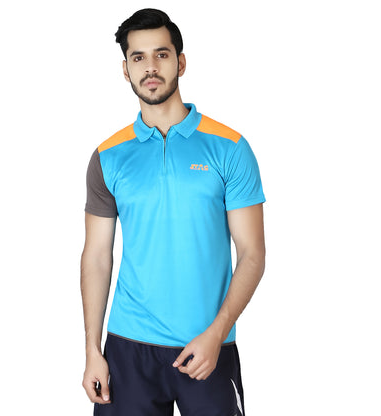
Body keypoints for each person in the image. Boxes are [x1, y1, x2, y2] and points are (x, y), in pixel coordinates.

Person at [81, 8, 266, 416]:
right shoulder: (108, 157)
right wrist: (93, 349)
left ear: (180, 63)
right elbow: (96, 256)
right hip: (127, 348)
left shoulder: (230, 147)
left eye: (161, 55)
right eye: (138, 57)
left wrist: (217, 333)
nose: (150, 67)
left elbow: (253, 254)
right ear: (126, 70)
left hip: (207, 346)